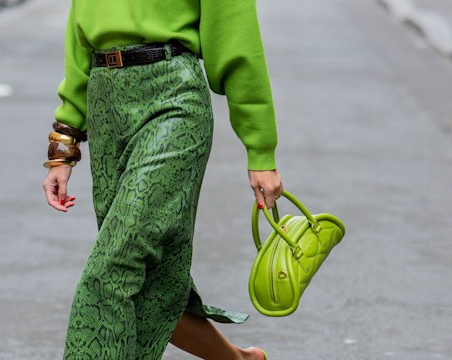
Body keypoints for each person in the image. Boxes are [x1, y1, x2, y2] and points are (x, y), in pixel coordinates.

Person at [42, 0, 283, 358]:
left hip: (172, 99)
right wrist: (64, 145)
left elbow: (237, 41)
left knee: (113, 267)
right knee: (147, 278)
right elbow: (79, 43)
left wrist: (260, 149)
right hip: (105, 104)